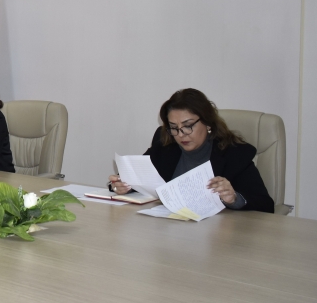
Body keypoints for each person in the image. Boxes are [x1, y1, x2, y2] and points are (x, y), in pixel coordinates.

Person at [109, 88, 274, 213]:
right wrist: (121, 186)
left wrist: (234, 198)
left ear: (208, 123)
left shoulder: (234, 154)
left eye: (188, 126)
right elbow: (140, 179)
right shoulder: (165, 142)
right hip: (166, 230)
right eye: (174, 127)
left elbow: (266, 205)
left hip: (216, 237)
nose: (181, 134)